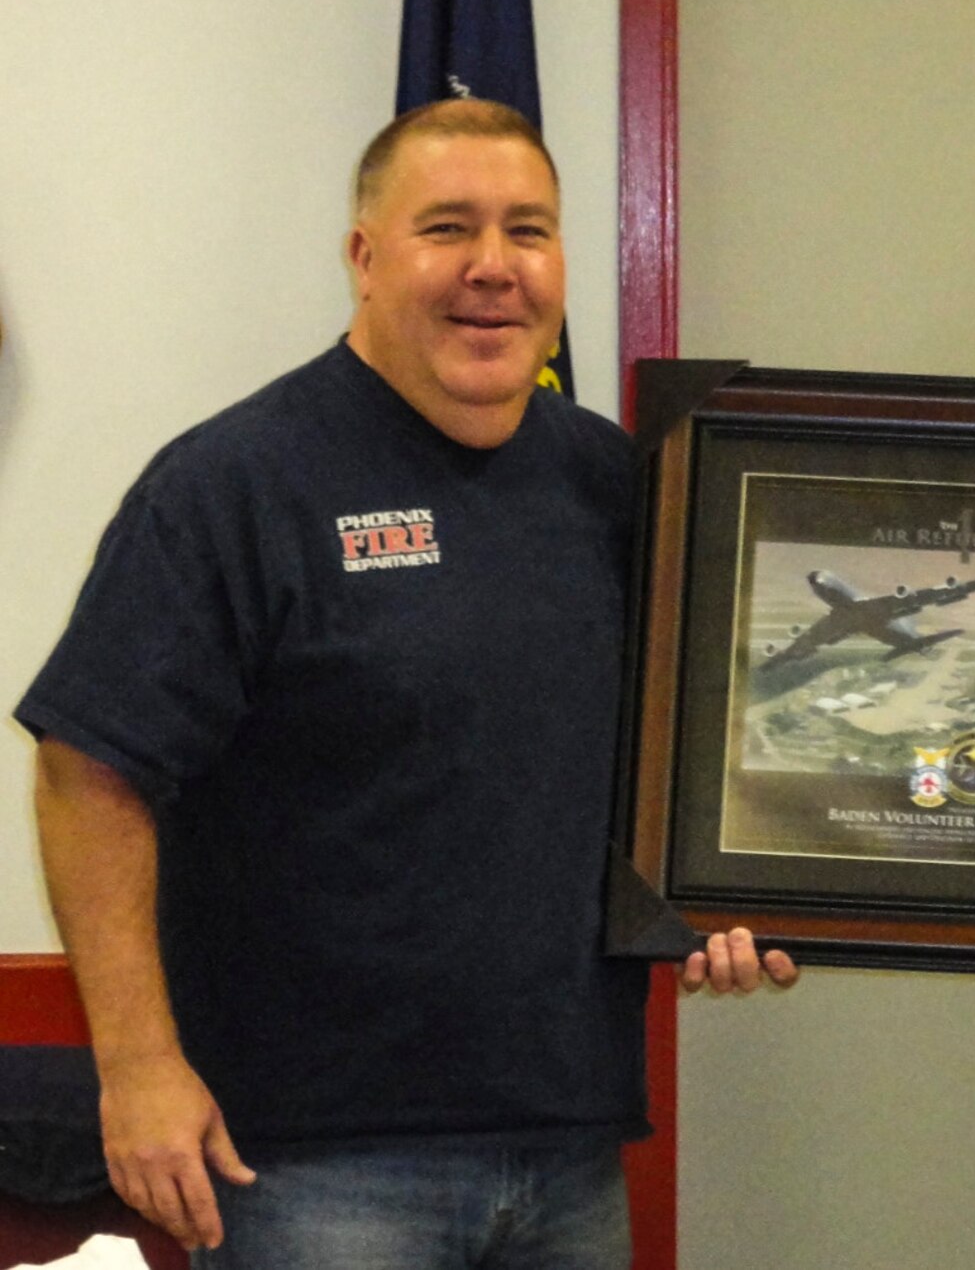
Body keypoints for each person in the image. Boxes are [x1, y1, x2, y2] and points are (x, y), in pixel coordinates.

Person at [18, 98, 795, 1267]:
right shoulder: (235, 485)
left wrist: (731, 897)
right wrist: (137, 1070)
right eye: (447, 228)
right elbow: (89, 773)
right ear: (364, 256)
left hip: (570, 1139)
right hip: (312, 1164)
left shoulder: (616, 482)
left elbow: (681, 745)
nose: (493, 268)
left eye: (527, 232)